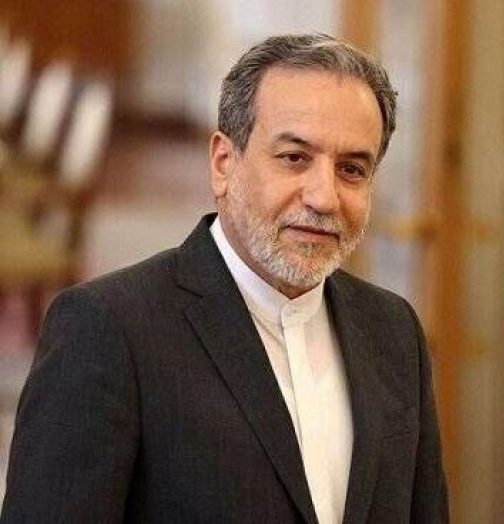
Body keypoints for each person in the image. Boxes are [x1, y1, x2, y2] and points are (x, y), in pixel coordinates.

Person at [1, 34, 448, 523]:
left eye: (352, 169)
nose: (324, 197)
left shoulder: (394, 331)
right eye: (294, 158)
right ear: (223, 164)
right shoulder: (107, 330)